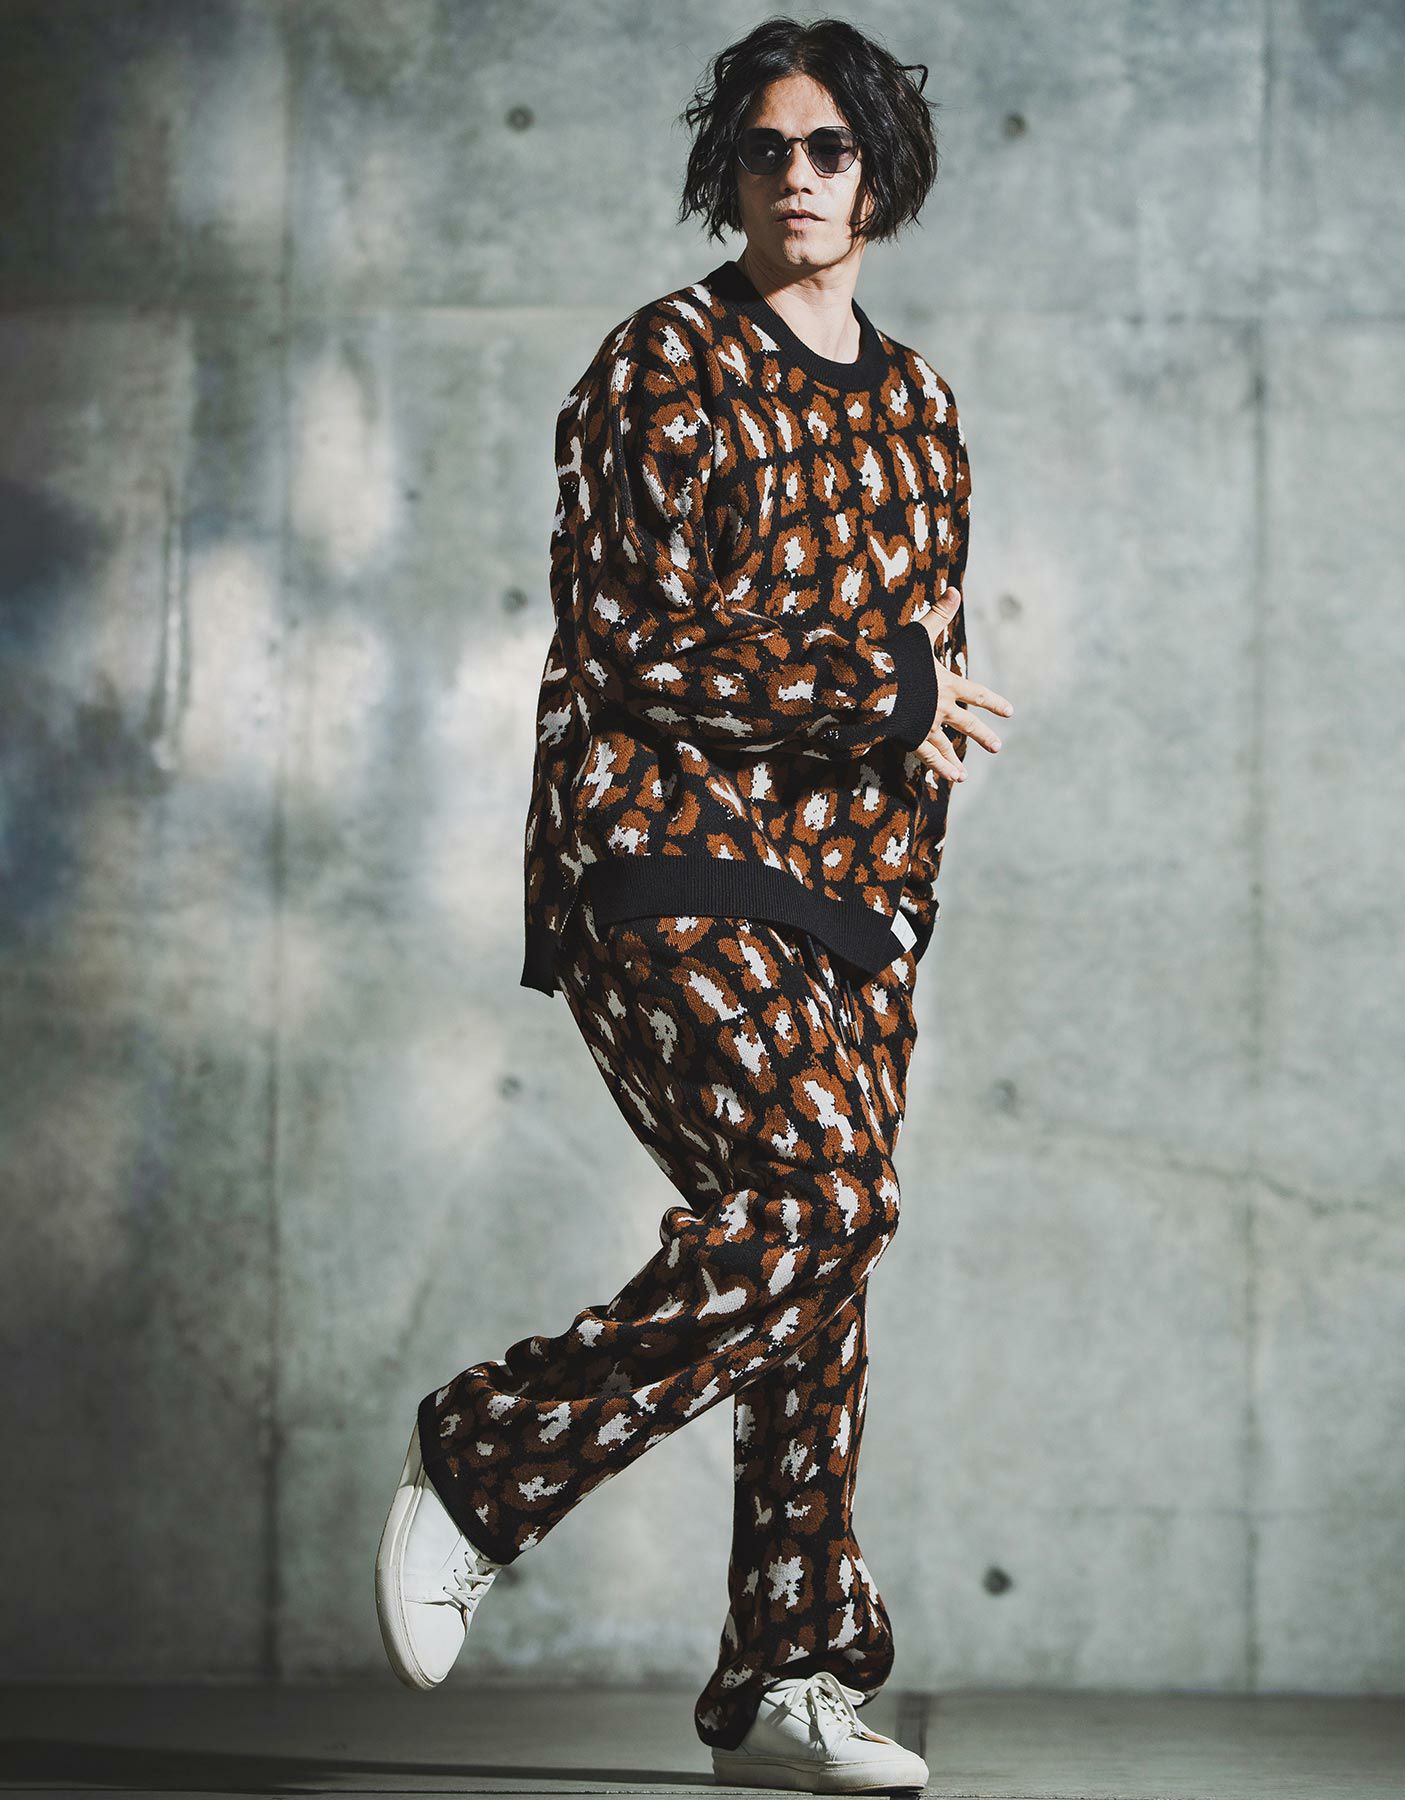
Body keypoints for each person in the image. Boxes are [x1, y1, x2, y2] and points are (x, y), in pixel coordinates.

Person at [374, 16, 1011, 1793]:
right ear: (726, 173)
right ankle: (485, 1459)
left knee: (818, 1262)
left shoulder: (924, 410)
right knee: (822, 1196)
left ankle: (789, 1678)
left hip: (846, 906)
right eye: (764, 147)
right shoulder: (662, 361)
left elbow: (933, 699)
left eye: (828, 147)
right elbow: (635, 642)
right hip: (656, 852)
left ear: (879, 171)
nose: (795, 175)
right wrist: (879, 689)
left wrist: (897, 912)